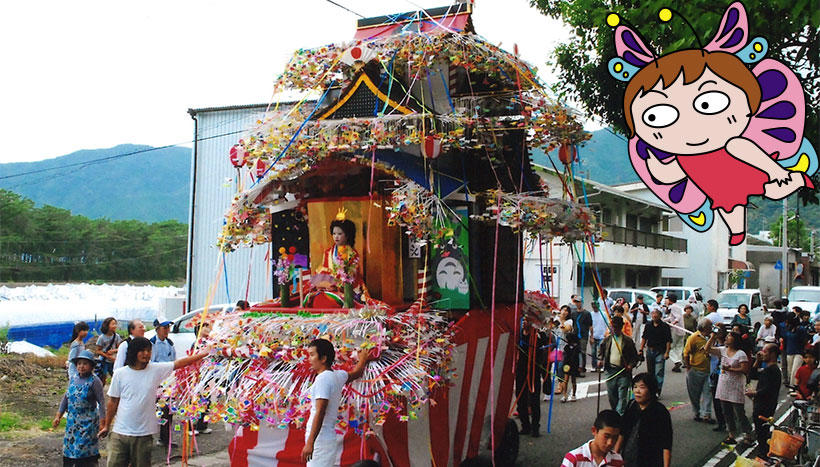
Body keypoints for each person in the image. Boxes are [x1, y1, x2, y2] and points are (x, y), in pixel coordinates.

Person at [99, 337, 209, 467]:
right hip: (120, 433)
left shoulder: (155, 369)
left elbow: (179, 363)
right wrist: (107, 425)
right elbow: (113, 402)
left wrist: (205, 353)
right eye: (142, 350)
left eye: (148, 350)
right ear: (133, 352)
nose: (146, 354)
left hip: (144, 434)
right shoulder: (120, 374)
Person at [301, 339, 375, 466]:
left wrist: (310, 443)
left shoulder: (323, 379)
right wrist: (363, 359)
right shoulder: (337, 375)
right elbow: (356, 373)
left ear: (323, 358)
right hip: (324, 439)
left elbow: (320, 411)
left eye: (312, 355)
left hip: (320, 440)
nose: (309, 359)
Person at [52, 350, 106, 467]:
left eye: (85, 364)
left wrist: (103, 423)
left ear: (91, 366)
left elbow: (101, 402)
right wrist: (58, 416)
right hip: (72, 423)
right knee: (70, 452)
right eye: (79, 363)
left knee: (84, 454)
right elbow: (66, 398)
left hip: (88, 424)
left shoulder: (95, 381)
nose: (81, 366)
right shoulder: (74, 378)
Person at [706, 331, 753, 444]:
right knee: (726, 412)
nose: (726, 338)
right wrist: (712, 337)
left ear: (735, 340)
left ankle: (748, 434)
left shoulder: (741, 354)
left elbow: (745, 369)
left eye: (729, 337)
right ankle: (731, 434)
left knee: (739, 412)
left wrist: (730, 369)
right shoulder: (723, 350)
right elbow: (707, 349)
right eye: (726, 336)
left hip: (736, 385)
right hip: (724, 385)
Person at [617, 373, 673, 467]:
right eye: (635, 387)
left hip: (650, 460)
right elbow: (623, 431)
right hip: (629, 458)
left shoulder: (660, 411)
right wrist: (616, 454)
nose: (637, 391)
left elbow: (666, 442)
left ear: (651, 389)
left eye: (642, 387)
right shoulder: (631, 405)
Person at [746, 343, 782, 459]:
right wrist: (757, 361)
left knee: (762, 431)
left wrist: (755, 393)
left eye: (765, 352)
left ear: (772, 354)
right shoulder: (767, 368)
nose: (763, 354)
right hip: (761, 403)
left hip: (765, 405)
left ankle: (764, 455)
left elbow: (769, 389)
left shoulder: (773, 370)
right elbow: (753, 375)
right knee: (760, 430)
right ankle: (764, 453)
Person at [515, 311, 548, 436]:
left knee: (534, 400)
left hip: (534, 371)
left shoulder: (538, 335)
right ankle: (525, 425)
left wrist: (542, 330)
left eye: (527, 320)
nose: (524, 322)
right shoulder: (518, 335)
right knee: (521, 398)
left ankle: (535, 427)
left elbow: (547, 342)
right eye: (523, 320)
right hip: (521, 370)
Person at [598, 316, 639, 415]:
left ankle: (620, 416)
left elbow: (635, 357)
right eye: (613, 327)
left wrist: (630, 365)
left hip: (623, 372)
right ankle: (615, 413)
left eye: (617, 327)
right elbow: (601, 352)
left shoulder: (628, 341)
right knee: (612, 396)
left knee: (622, 396)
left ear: (621, 327)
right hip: (610, 371)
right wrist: (600, 360)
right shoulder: (607, 340)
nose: (615, 329)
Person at [149, 318, 176, 446]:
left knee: (168, 410)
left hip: (168, 381)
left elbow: (174, 361)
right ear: (157, 329)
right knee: (151, 409)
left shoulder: (170, 343)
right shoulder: (152, 344)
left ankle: (165, 438)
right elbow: (151, 363)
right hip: (156, 381)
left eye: (168, 328)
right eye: (164, 328)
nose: (167, 331)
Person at [683, 318, 715, 423]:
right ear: (705, 328)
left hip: (708, 369)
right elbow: (686, 353)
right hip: (695, 369)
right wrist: (688, 367)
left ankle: (706, 414)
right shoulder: (693, 338)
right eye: (710, 326)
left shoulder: (712, 337)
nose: (712, 328)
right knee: (694, 394)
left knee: (708, 392)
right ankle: (697, 412)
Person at [640, 308, 672, 397]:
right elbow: (644, 337)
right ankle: (651, 389)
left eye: (656, 314)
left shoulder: (665, 326)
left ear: (660, 316)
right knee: (650, 372)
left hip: (660, 351)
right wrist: (641, 349)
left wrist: (667, 352)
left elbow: (668, 340)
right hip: (650, 350)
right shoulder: (648, 325)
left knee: (659, 372)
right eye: (653, 314)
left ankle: (657, 390)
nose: (654, 316)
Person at [709, 325, 728, 432]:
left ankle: (728, 421)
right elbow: (707, 351)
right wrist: (712, 338)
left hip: (724, 375)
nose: (717, 332)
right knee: (716, 400)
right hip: (714, 375)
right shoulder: (712, 343)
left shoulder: (727, 345)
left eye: (719, 330)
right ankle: (721, 422)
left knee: (724, 401)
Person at [780, 315, 809, 386]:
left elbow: (804, 340)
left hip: (799, 352)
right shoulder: (788, 329)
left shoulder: (801, 329)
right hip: (789, 351)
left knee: (795, 370)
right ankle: (793, 385)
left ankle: (794, 386)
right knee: (790, 371)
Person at [93, 318, 122, 385]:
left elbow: (119, 348)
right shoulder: (102, 338)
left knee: (115, 376)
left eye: (115, 324)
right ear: (107, 325)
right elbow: (98, 351)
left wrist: (114, 351)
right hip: (104, 361)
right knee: (103, 377)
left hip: (113, 360)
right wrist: (108, 356)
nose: (115, 326)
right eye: (113, 324)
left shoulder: (116, 336)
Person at [663, 294, 685, 373]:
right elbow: (671, 317)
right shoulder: (677, 307)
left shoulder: (673, 307)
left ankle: (677, 361)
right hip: (681, 329)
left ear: (670, 300)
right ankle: (677, 362)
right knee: (679, 347)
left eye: (667, 299)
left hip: (675, 330)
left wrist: (673, 323)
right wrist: (663, 320)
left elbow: (677, 317)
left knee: (671, 347)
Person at [573, 296, 592, 375]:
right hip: (574, 336)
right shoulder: (573, 313)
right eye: (576, 302)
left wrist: (592, 336)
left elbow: (590, 325)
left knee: (582, 352)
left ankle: (582, 368)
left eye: (579, 302)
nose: (577, 304)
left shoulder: (587, 313)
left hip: (583, 335)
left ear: (582, 302)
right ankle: (576, 369)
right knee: (575, 352)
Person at [561, 332, 581, 402]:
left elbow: (578, 357)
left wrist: (578, 366)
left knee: (573, 380)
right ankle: (564, 395)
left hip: (574, 365)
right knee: (565, 380)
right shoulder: (566, 347)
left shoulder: (577, 348)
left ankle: (573, 395)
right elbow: (565, 356)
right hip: (567, 365)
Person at [590, 301, 609, 372]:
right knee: (593, 352)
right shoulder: (591, 314)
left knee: (601, 352)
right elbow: (590, 325)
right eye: (593, 306)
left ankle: (601, 365)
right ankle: (594, 366)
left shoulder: (603, 314)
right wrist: (590, 336)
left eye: (596, 306)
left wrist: (606, 334)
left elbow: (607, 324)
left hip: (602, 335)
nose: (595, 308)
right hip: (594, 335)